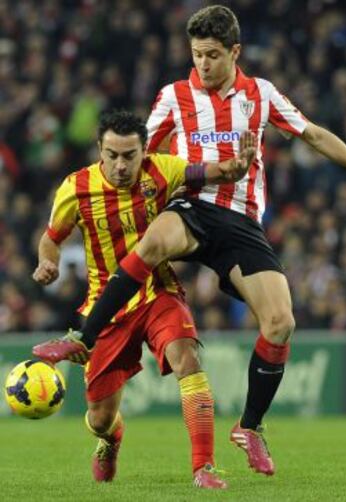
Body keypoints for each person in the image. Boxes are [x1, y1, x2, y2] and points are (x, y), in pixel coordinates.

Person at [33, 5, 346, 478]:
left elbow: (312, 134)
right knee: (151, 244)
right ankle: (80, 338)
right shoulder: (173, 95)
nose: (203, 65)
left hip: (243, 222)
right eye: (196, 55)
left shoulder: (261, 95)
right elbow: (139, 152)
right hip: (193, 206)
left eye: (212, 55)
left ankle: (250, 427)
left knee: (280, 321)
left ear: (235, 51)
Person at [32, 109, 256, 488]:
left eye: (129, 156)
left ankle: (204, 467)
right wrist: (46, 263)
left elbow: (210, 173)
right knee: (100, 418)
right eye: (112, 155)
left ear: (144, 151)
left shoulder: (163, 169)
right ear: (99, 150)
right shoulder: (76, 187)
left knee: (187, 358)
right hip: (107, 310)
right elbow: (51, 238)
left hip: (158, 292)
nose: (120, 165)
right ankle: (111, 440)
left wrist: (237, 165)